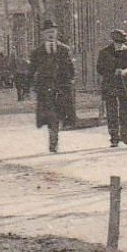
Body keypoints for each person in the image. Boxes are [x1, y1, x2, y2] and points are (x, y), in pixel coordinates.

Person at [29, 20, 75, 153]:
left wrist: (69, 81)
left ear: (56, 33)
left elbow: (70, 68)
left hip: (61, 87)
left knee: (60, 113)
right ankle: (53, 140)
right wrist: (33, 86)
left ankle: (54, 136)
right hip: (45, 89)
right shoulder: (37, 52)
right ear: (43, 34)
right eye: (48, 32)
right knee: (50, 115)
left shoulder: (64, 49)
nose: (50, 35)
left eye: (53, 32)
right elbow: (32, 71)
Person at [96, 29, 127, 148]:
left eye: (122, 43)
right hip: (110, 84)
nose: (120, 45)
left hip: (124, 84)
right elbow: (99, 69)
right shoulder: (104, 52)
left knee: (126, 110)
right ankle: (114, 137)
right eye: (118, 43)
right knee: (111, 111)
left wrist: (126, 71)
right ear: (113, 41)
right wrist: (113, 71)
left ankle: (125, 135)